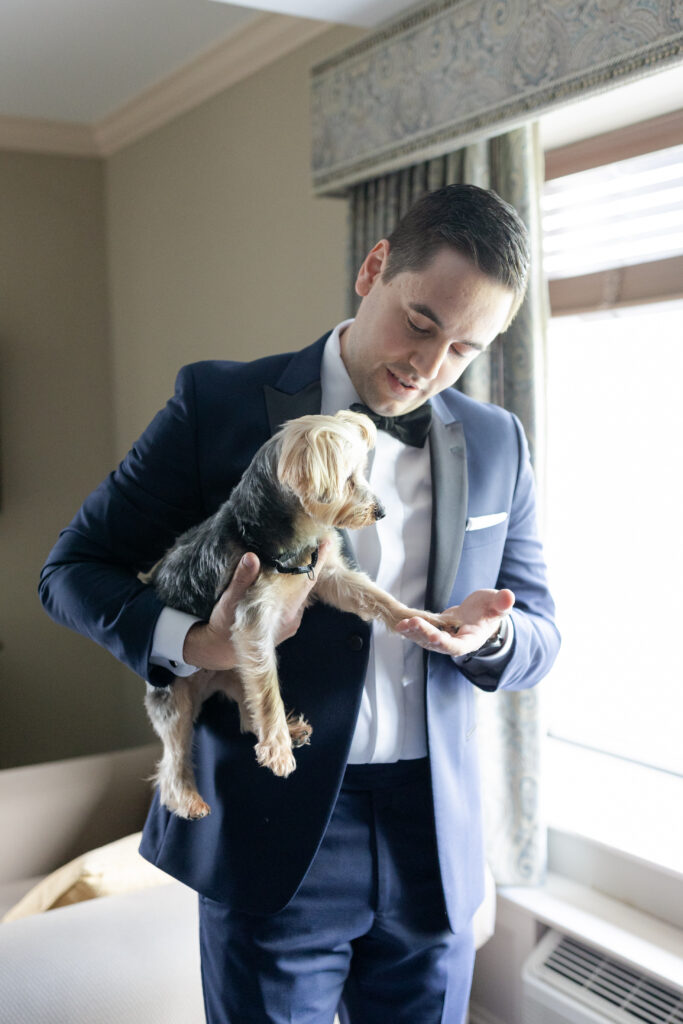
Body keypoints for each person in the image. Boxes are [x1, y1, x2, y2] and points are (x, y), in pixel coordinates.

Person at [40, 184, 560, 1024]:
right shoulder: (217, 404)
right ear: (373, 267)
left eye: (464, 348)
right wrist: (197, 645)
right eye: (420, 323)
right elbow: (70, 572)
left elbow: (541, 629)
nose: (428, 367)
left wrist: (492, 636)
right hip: (272, 832)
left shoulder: (498, 440)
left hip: (434, 839)